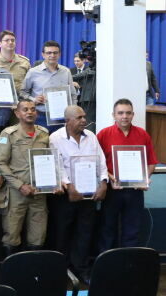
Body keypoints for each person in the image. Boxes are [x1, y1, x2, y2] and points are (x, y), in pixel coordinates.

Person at [49, 105, 107, 283]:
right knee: (63, 232)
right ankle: (61, 269)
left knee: (85, 232)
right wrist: (68, 185)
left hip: (89, 193)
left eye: (84, 117)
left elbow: (101, 162)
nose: (84, 120)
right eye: (79, 117)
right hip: (66, 195)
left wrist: (104, 182)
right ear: (67, 121)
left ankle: (81, 268)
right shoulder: (55, 138)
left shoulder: (91, 137)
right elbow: (56, 166)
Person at [97, 99, 158, 250]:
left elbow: (152, 162)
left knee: (132, 231)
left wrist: (145, 179)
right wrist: (111, 178)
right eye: (120, 113)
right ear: (114, 115)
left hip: (135, 191)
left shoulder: (142, 134)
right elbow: (97, 163)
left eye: (128, 113)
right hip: (113, 190)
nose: (124, 116)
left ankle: (128, 266)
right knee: (107, 229)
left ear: (133, 115)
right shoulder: (104, 134)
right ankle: (107, 265)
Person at [0, 100, 52, 256]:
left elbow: (50, 160)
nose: (29, 112)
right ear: (17, 113)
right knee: (11, 235)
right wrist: (20, 185)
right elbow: (1, 163)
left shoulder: (44, 133)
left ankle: (33, 275)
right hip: (16, 193)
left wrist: (53, 183)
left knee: (38, 236)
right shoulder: (8, 134)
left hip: (39, 193)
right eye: (25, 109)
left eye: (33, 109)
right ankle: (11, 275)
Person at [20, 41, 77, 132]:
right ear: (43, 54)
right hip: (41, 116)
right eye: (49, 53)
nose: (52, 55)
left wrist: (73, 114)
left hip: (62, 117)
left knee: (60, 145)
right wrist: (34, 100)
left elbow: (73, 95)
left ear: (59, 54)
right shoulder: (33, 72)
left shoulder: (66, 71)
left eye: (55, 53)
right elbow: (22, 92)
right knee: (42, 144)